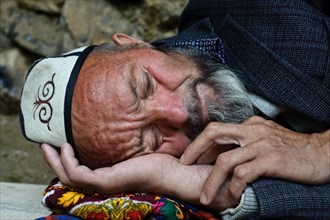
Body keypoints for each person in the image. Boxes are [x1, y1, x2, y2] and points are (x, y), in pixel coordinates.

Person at [20, 0, 330, 219]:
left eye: (145, 86)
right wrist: (194, 185)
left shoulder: (273, 11)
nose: (177, 113)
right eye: (152, 140)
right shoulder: (199, 170)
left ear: (134, 43)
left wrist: (319, 149)